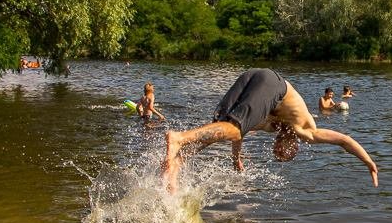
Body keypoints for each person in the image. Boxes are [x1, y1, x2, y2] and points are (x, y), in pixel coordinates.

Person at [162, 68, 378, 194]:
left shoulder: (269, 125)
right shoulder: (305, 131)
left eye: (276, 150)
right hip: (274, 85)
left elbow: (241, 131)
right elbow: (344, 140)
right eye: (281, 150)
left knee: (219, 126)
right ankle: (179, 138)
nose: (276, 146)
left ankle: (175, 165)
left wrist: (236, 158)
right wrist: (369, 163)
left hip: (253, 75)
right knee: (233, 129)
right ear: (293, 146)